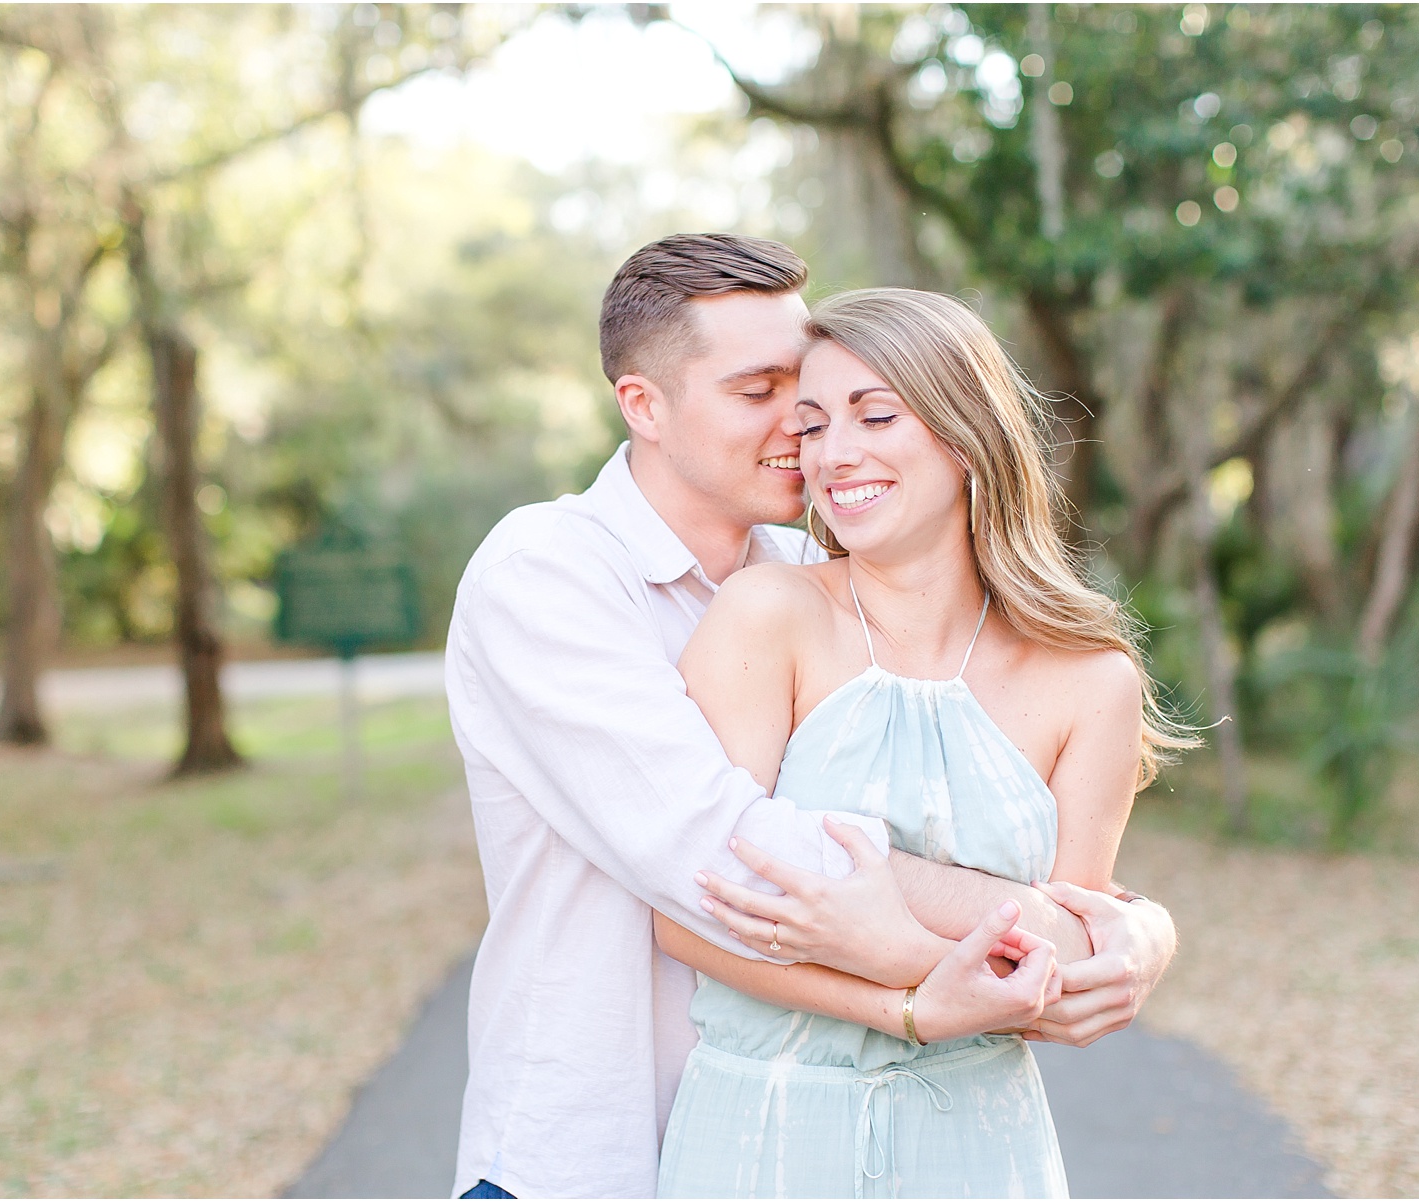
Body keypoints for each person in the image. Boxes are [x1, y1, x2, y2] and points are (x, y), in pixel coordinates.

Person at [445, 234, 1178, 1200]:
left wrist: (1140, 931)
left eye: (813, 397)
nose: (804, 430)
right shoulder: (546, 573)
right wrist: (1006, 940)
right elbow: (731, 848)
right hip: (587, 1152)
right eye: (760, 395)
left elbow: (1008, 841)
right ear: (645, 407)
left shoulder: (808, 580)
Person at [653, 288, 1193, 1198]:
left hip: (980, 1144)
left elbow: (1062, 957)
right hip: (762, 1138)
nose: (834, 453)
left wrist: (882, 930)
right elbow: (692, 908)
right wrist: (929, 986)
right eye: (814, 426)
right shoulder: (768, 615)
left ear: (966, 433)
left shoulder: (1092, 680)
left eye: (876, 415)